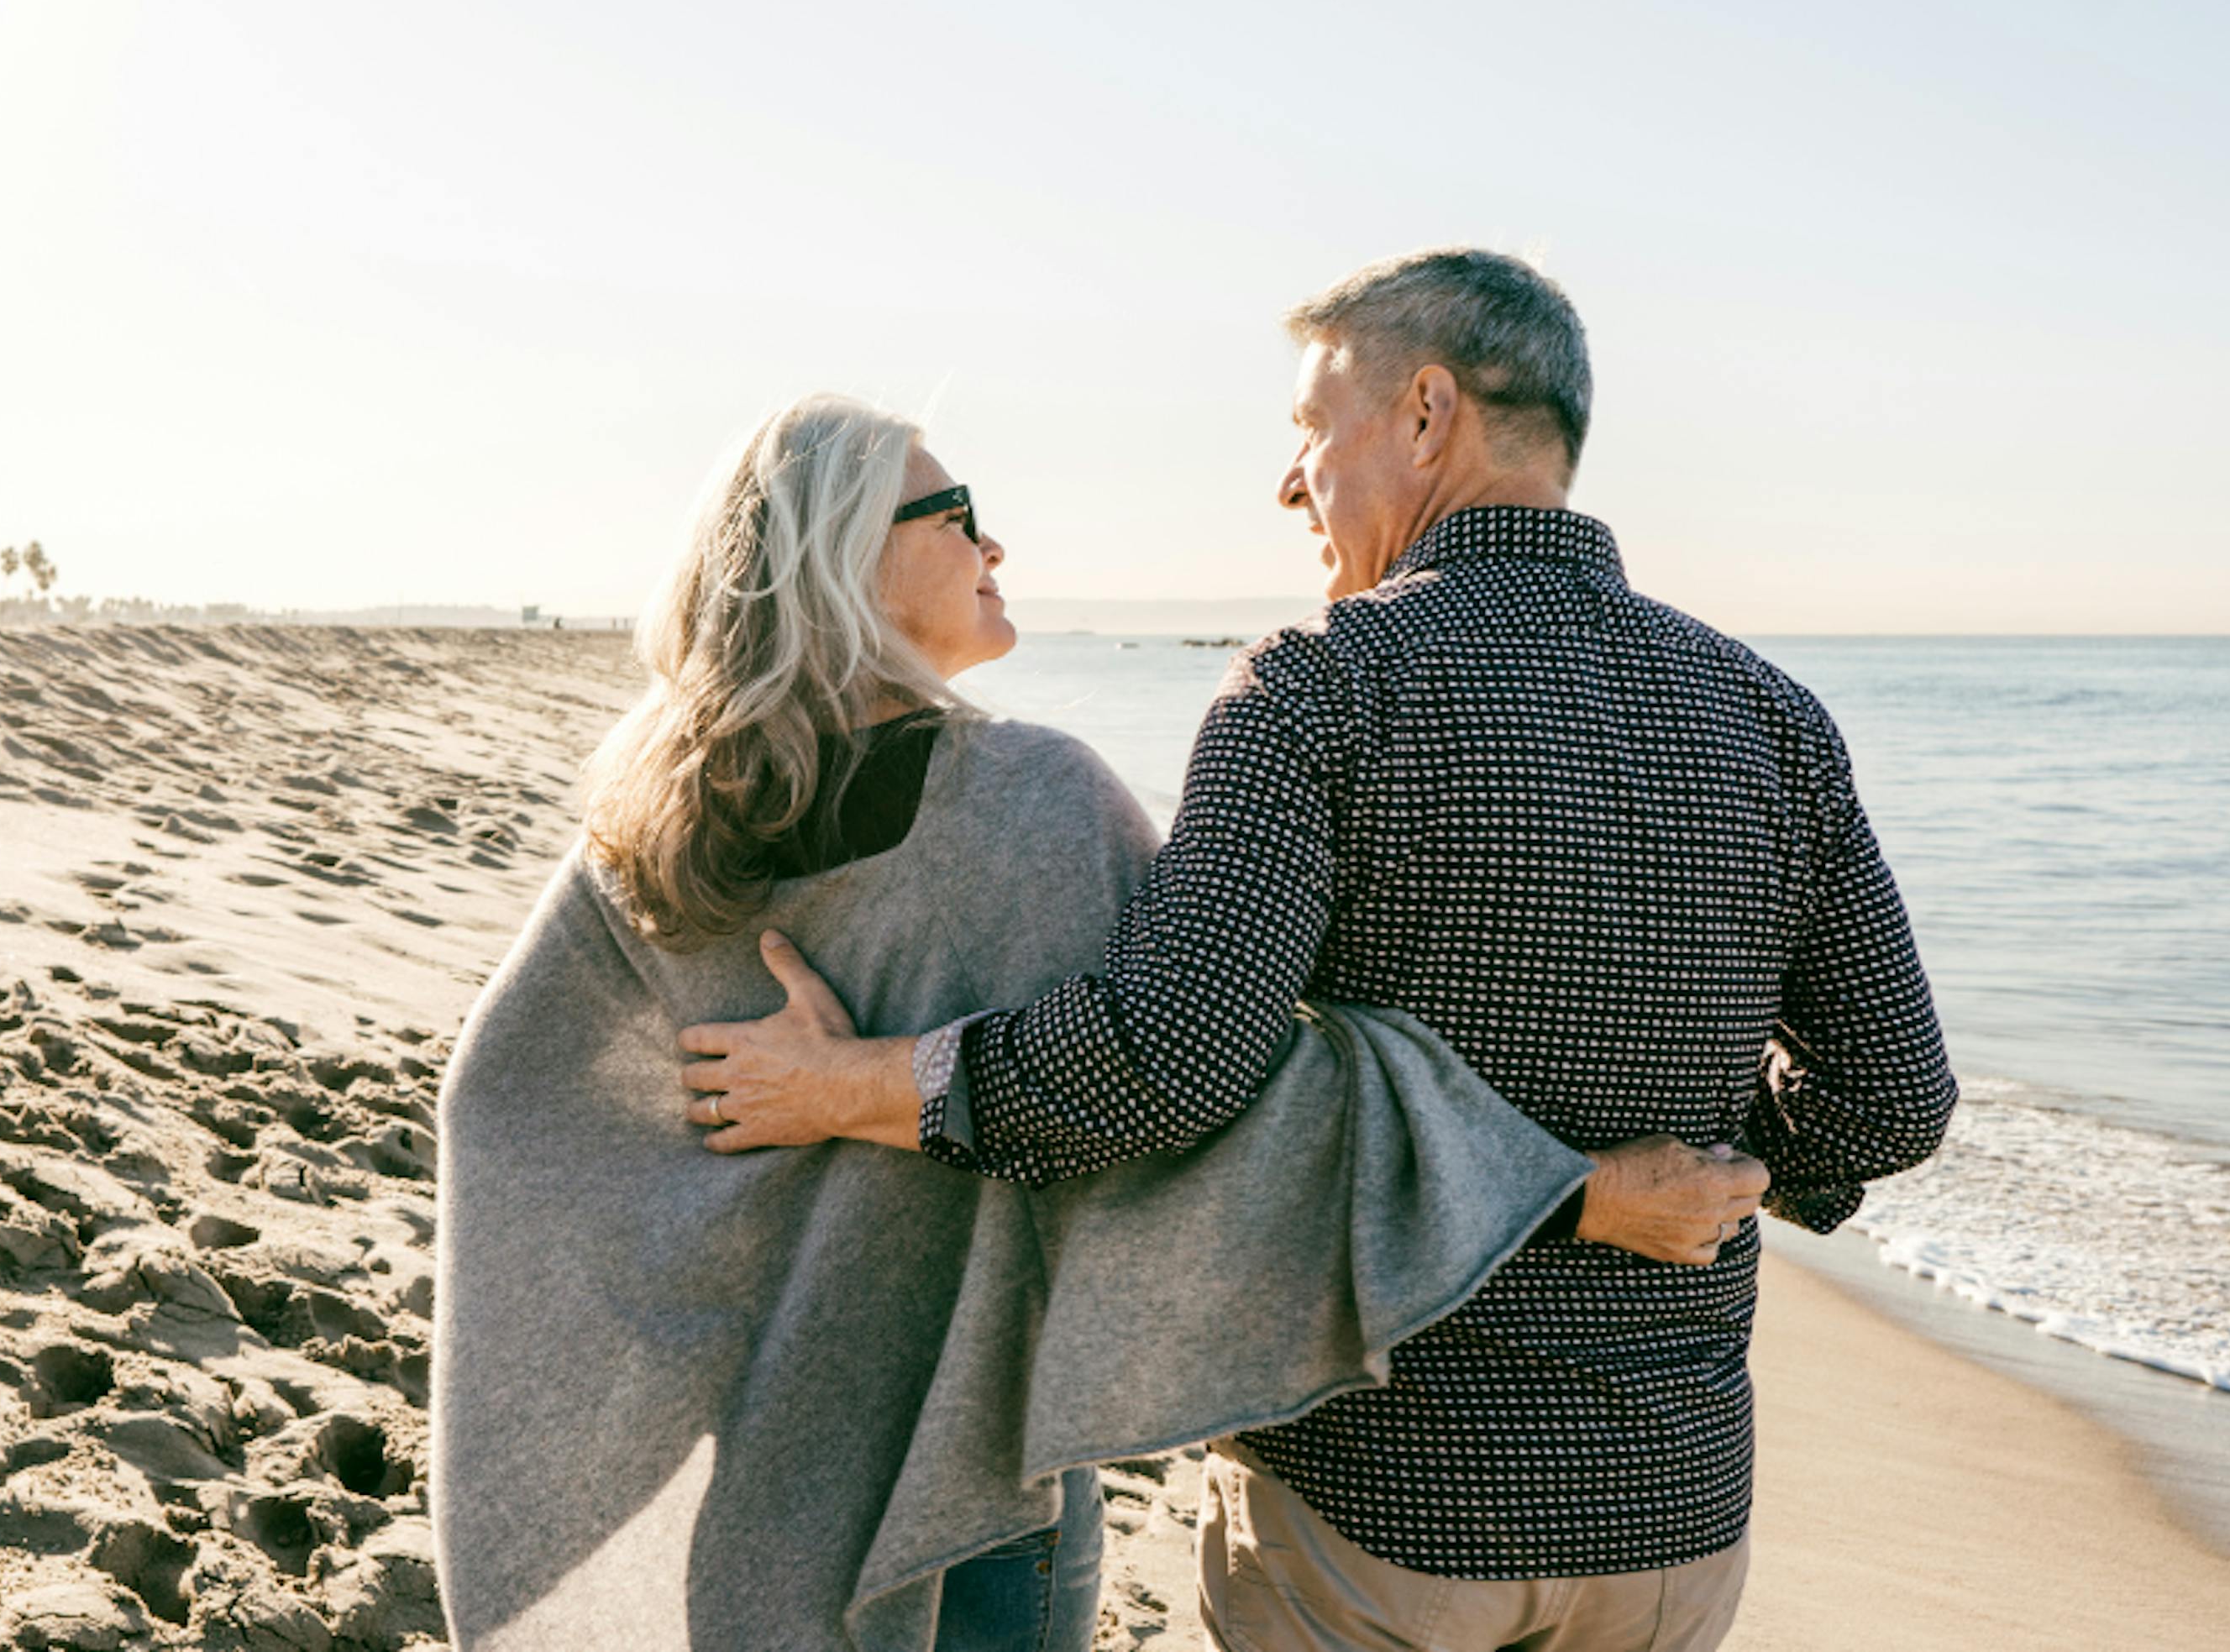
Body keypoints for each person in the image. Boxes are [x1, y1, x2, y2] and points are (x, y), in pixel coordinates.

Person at [675, 252, 1956, 1652]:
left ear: (1424, 415)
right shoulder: (1771, 714)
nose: (1292, 481)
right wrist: (1724, 1168)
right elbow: (1891, 1096)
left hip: (1380, 1504)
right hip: (1671, 1514)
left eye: (1309, 428)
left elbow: (1166, 1063)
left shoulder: (1323, 684)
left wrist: (857, 1082)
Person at [431, 393, 1752, 1652]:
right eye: (952, 511)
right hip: (963, 1484)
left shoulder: (657, 818)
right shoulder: (1029, 806)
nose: (993, 539)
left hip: (754, 1467)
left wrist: (720, 1243)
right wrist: (1576, 1193)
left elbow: (504, 1105)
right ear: (840, 561)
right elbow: (1220, 1096)